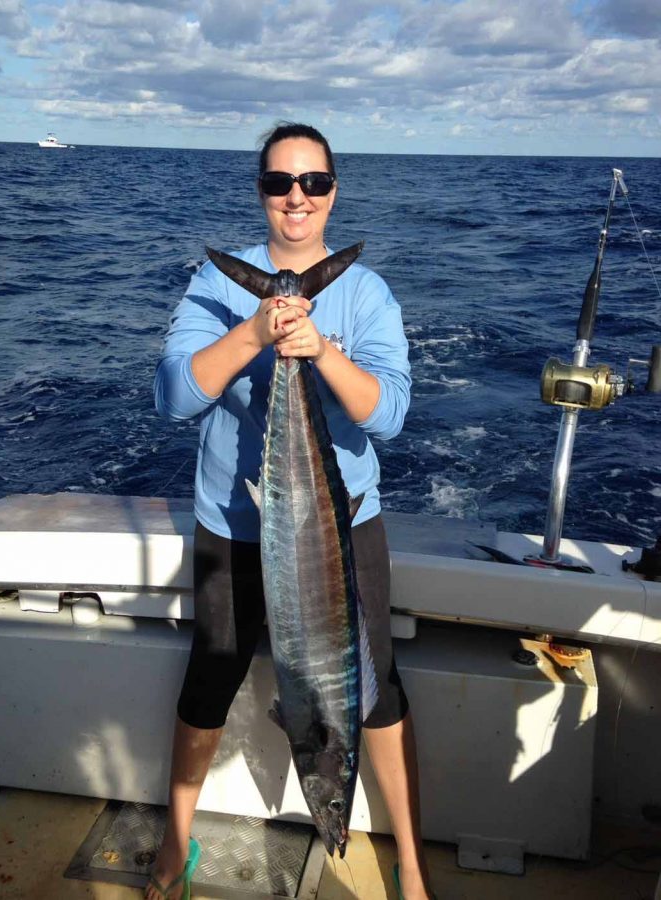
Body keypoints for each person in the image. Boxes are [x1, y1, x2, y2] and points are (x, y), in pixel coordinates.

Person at [151, 122, 432, 900]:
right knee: (209, 683)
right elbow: (174, 396)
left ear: (332, 190)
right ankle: (174, 843)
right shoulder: (216, 287)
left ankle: (409, 864)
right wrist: (253, 329)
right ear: (262, 191)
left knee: (374, 689)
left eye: (311, 182)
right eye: (280, 182)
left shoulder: (365, 293)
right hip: (234, 525)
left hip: (342, 530)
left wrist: (320, 349)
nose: (296, 198)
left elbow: (390, 416)